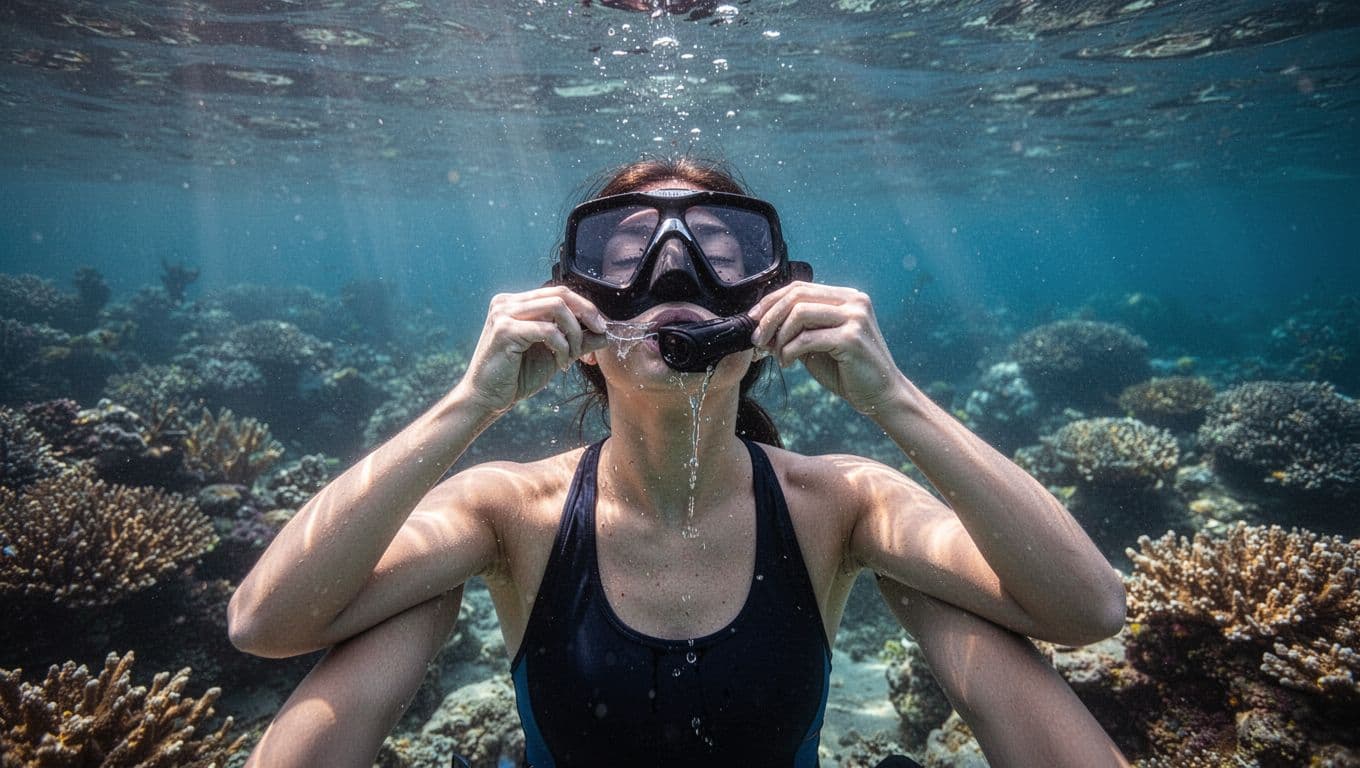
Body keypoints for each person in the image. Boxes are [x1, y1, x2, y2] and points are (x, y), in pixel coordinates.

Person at [228, 157, 1130, 767]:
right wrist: (473, 402)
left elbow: (1087, 610)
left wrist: (891, 397)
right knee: (402, 592)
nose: (675, 274)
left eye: (723, 251)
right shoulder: (509, 511)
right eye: (624, 254)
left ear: (773, 315)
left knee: (962, 600)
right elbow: (265, 627)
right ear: (577, 326)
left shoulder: (844, 501)